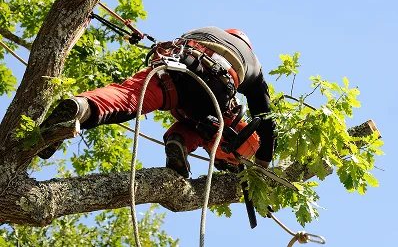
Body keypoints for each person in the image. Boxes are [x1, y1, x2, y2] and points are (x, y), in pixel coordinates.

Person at [39, 26, 277, 178]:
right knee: (223, 127)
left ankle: (81, 107)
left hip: (176, 68)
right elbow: (266, 118)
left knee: (128, 97)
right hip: (215, 90)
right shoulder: (253, 63)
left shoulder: (207, 30)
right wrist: (263, 165)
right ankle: (182, 142)